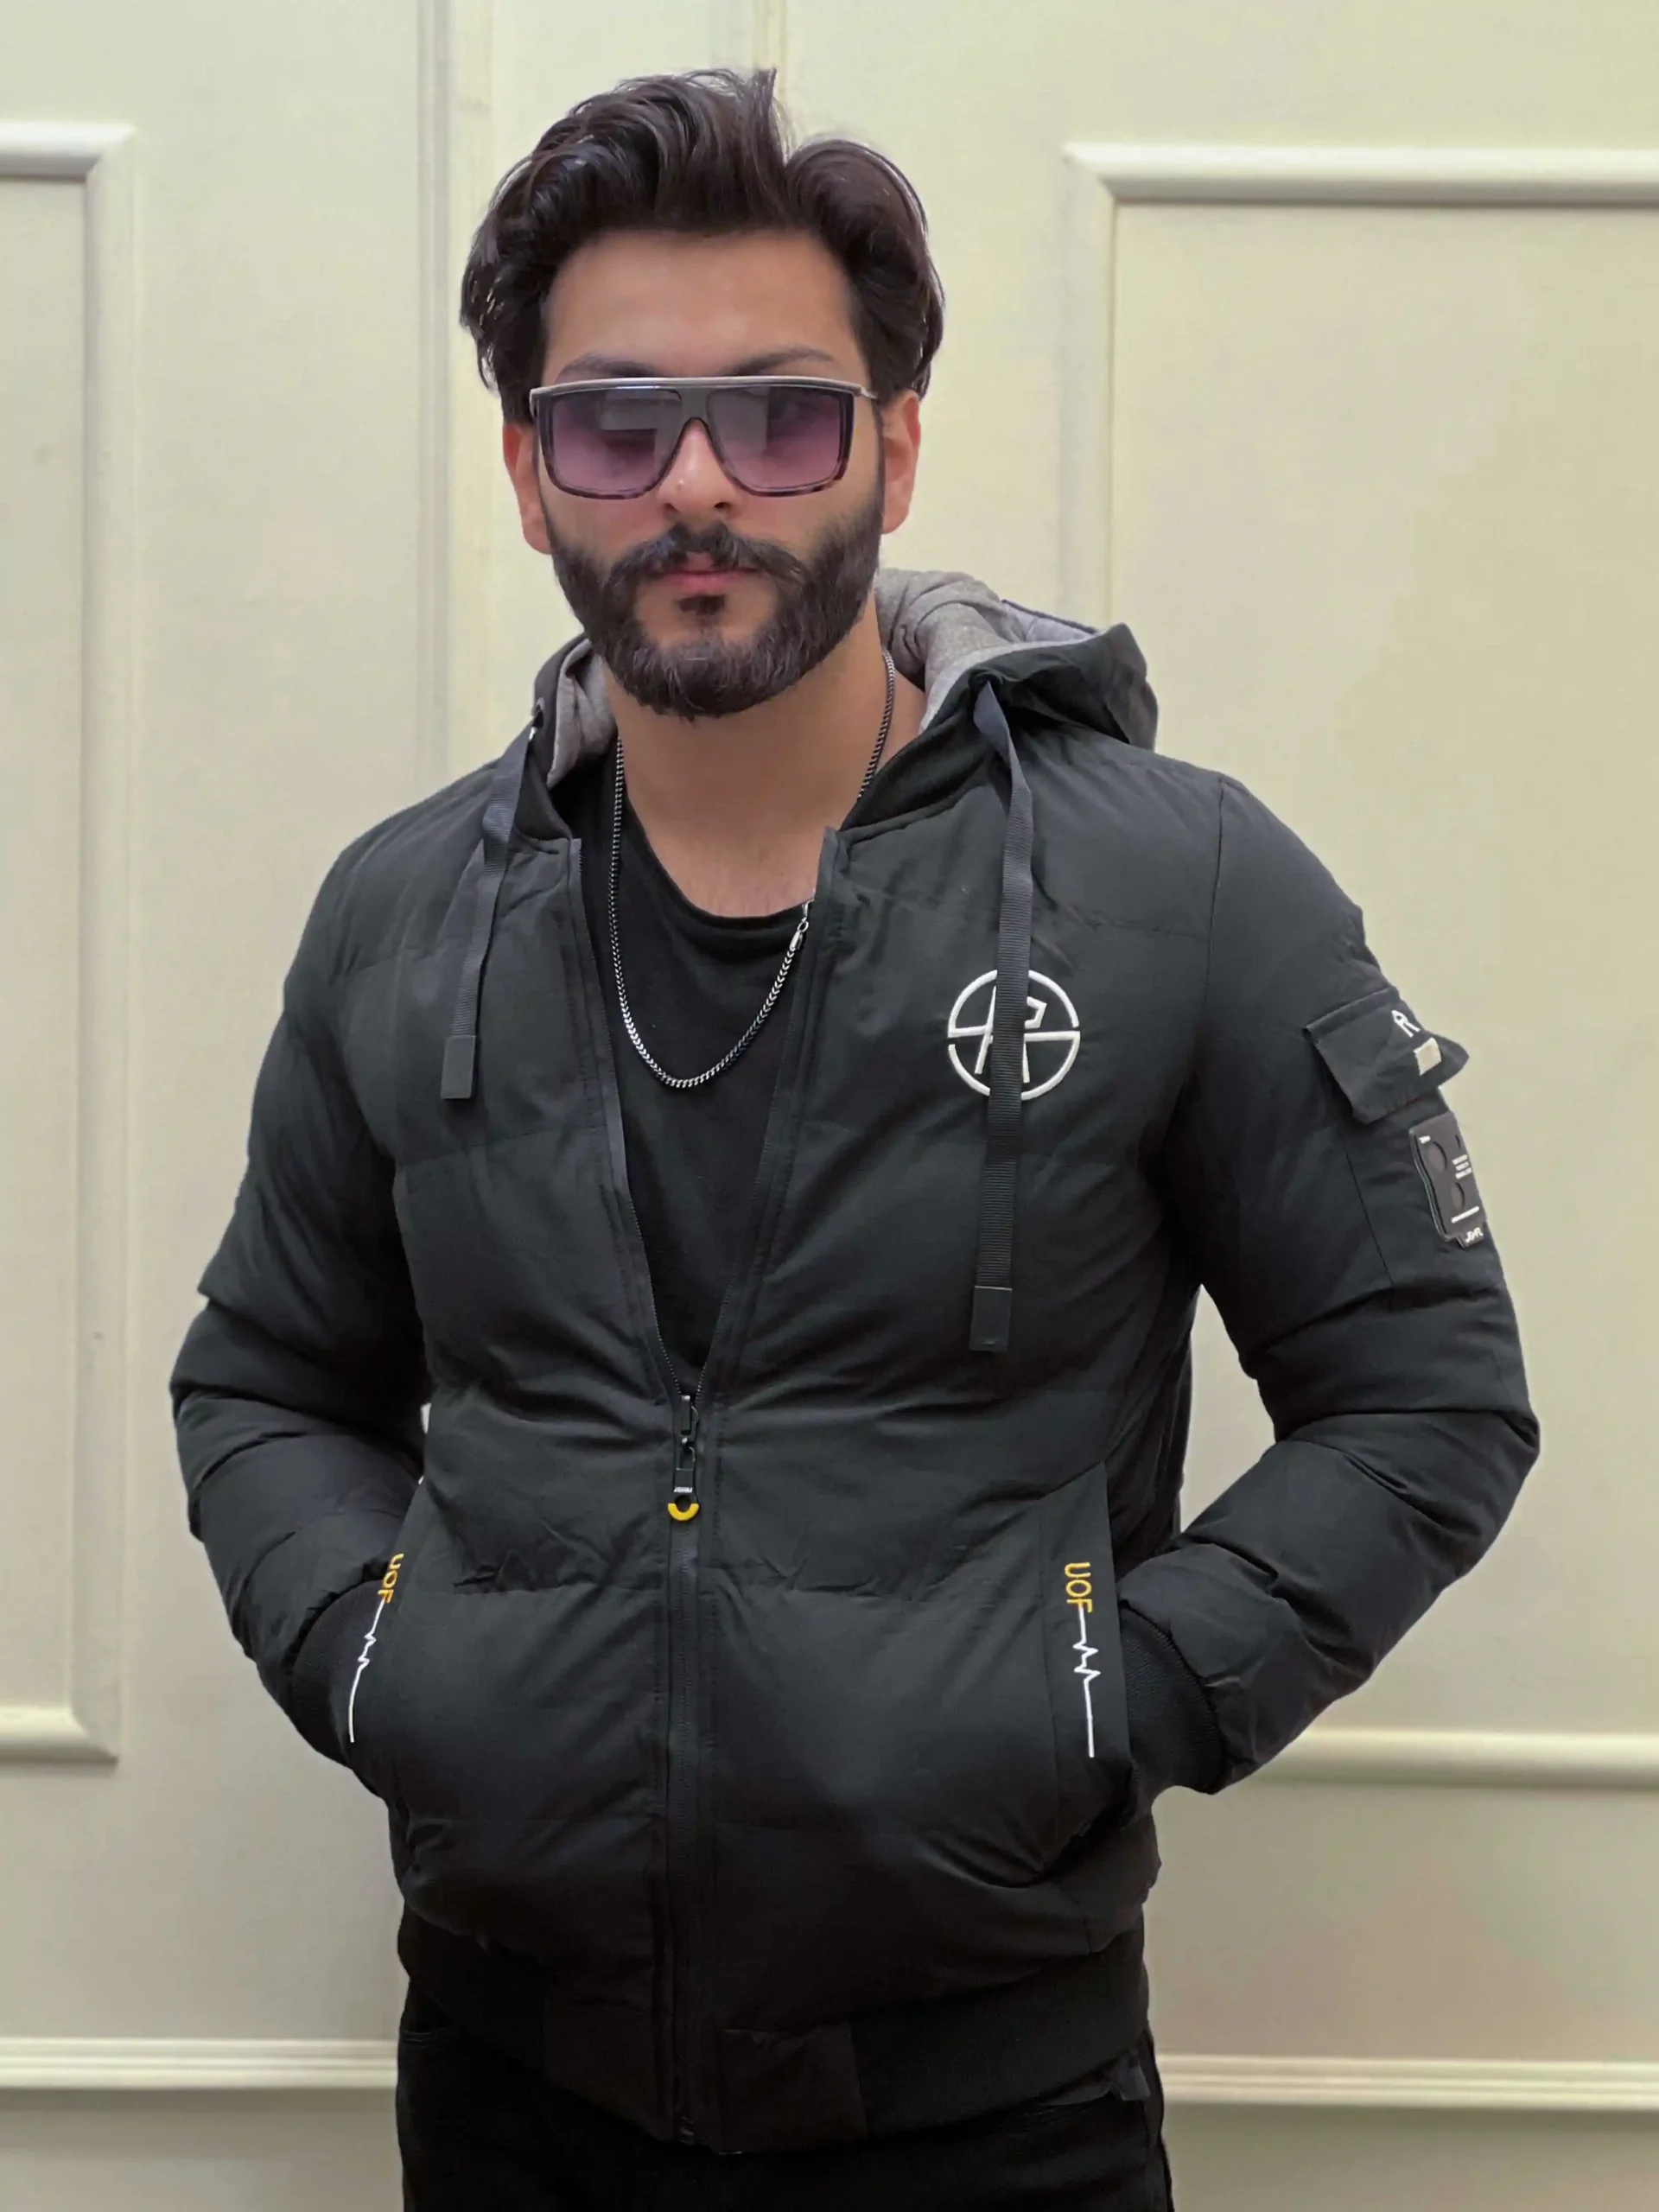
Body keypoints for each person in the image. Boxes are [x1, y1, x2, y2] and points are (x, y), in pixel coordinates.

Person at [171, 67, 1538, 2210]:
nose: (699, 482)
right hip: (512, 2089)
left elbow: (1429, 1393)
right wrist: (383, 1658)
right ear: (530, 475)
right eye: (617, 424)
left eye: (781, 416)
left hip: (993, 2111)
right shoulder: (404, 915)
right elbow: (263, 1376)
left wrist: (1104, 1694)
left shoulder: (1179, 887)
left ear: (894, 447)